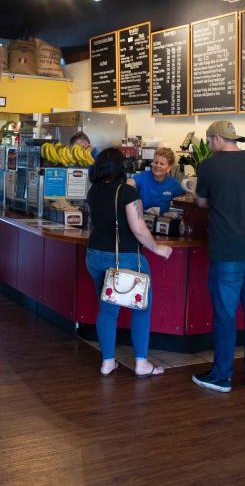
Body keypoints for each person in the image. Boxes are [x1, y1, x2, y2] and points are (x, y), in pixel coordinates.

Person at [191, 120, 245, 393]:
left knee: (226, 316)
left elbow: (201, 202)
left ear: (215, 140)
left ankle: (222, 376)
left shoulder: (210, 165)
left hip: (227, 252)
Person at [85, 147, 172, 378]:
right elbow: (139, 228)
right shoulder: (127, 193)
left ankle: (107, 362)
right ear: (121, 168)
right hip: (122, 257)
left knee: (107, 309)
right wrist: (157, 248)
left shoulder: (93, 191)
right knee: (142, 309)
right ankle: (142, 363)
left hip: (94, 255)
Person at [127, 147, 185, 215]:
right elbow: (129, 184)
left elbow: (184, 199)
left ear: (169, 168)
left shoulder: (173, 183)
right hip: (142, 219)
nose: (158, 166)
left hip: (162, 222)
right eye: (156, 162)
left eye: (162, 164)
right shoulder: (143, 176)